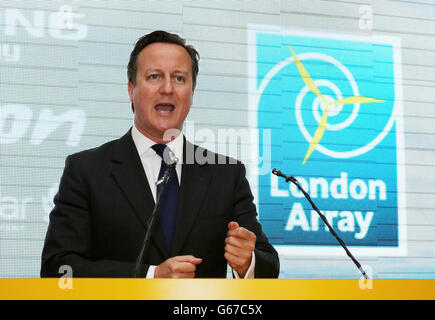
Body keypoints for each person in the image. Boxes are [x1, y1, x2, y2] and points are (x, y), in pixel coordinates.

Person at [40, 30, 279, 278]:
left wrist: (247, 263)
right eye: (154, 76)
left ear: (192, 93)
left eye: (179, 78)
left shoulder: (227, 175)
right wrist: (150, 276)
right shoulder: (86, 170)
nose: (167, 88)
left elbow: (268, 266)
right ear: (131, 90)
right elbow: (57, 269)